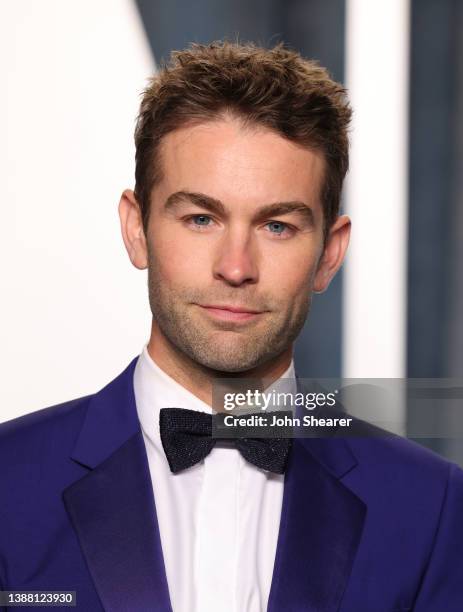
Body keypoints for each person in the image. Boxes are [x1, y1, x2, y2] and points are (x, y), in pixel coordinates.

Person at [0, 41, 462, 612]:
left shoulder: (432, 506)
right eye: (200, 218)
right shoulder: (6, 483)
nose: (235, 267)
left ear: (329, 253)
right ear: (137, 229)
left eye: (278, 226)